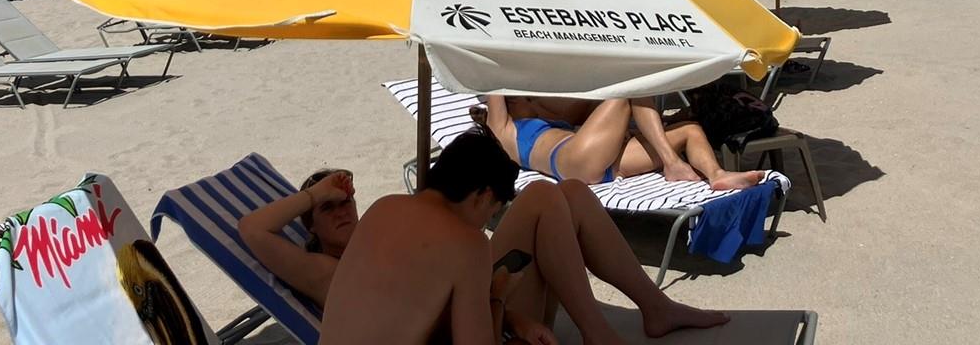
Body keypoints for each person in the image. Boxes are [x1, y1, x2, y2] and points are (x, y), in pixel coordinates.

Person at [239, 130, 727, 345]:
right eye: (494, 208)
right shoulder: (327, 266)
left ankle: (649, 309)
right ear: (481, 196)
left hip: (452, 310)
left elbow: (427, 302)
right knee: (549, 204)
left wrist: (501, 303)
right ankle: (600, 331)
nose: (344, 208)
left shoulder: (387, 213)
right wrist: (498, 302)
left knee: (560, 194)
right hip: (463, 313)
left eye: (346, 200)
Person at [482, 95, 766, 194]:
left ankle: (717, 175)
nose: (535, 100)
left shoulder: (550, 120)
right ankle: (672, 164)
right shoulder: (504, 130)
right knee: (631, 88)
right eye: (526, 97)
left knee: (690, 129)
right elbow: (493, 80)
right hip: (571, 161)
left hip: (604, 164)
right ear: (512, 103)